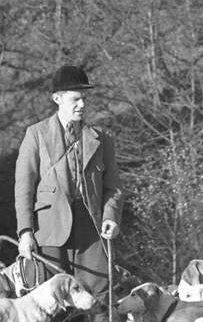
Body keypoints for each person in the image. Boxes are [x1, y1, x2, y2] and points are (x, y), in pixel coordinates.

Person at [14, 64, 123, 296]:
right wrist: (25, 232)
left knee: (100, 294)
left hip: (91, 228)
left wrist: (111, 217)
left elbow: (113, 187)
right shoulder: (36, 134)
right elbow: (24, 188)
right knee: (54, 300)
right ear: (57, 98)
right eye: (75, 99)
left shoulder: (102, 139)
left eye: (84, 98)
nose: (82, 104)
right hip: (50, 228)